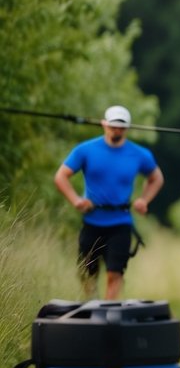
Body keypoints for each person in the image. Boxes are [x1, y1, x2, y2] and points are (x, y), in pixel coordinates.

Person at [53, 105, 164, 299]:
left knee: (115, 273)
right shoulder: (86, 150)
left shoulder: (139, 154)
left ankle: (107, 314)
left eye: (121, 127)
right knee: (88, 273)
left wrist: (144, 200)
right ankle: (91, 306)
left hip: (120, 224)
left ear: (127, 128)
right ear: (104, 124)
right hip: (92, 222)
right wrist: (76, 201)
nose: (116, 130)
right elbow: (61, 176)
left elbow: (157, 178)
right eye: (113, 125)